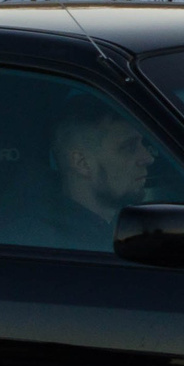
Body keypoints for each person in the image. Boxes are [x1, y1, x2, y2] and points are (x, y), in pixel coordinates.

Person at [42, 96, 159, 252]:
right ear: (82, 163)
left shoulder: (133, 227)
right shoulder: (46, 243)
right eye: (129, 147)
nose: (148, 158)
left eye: (141, 144)